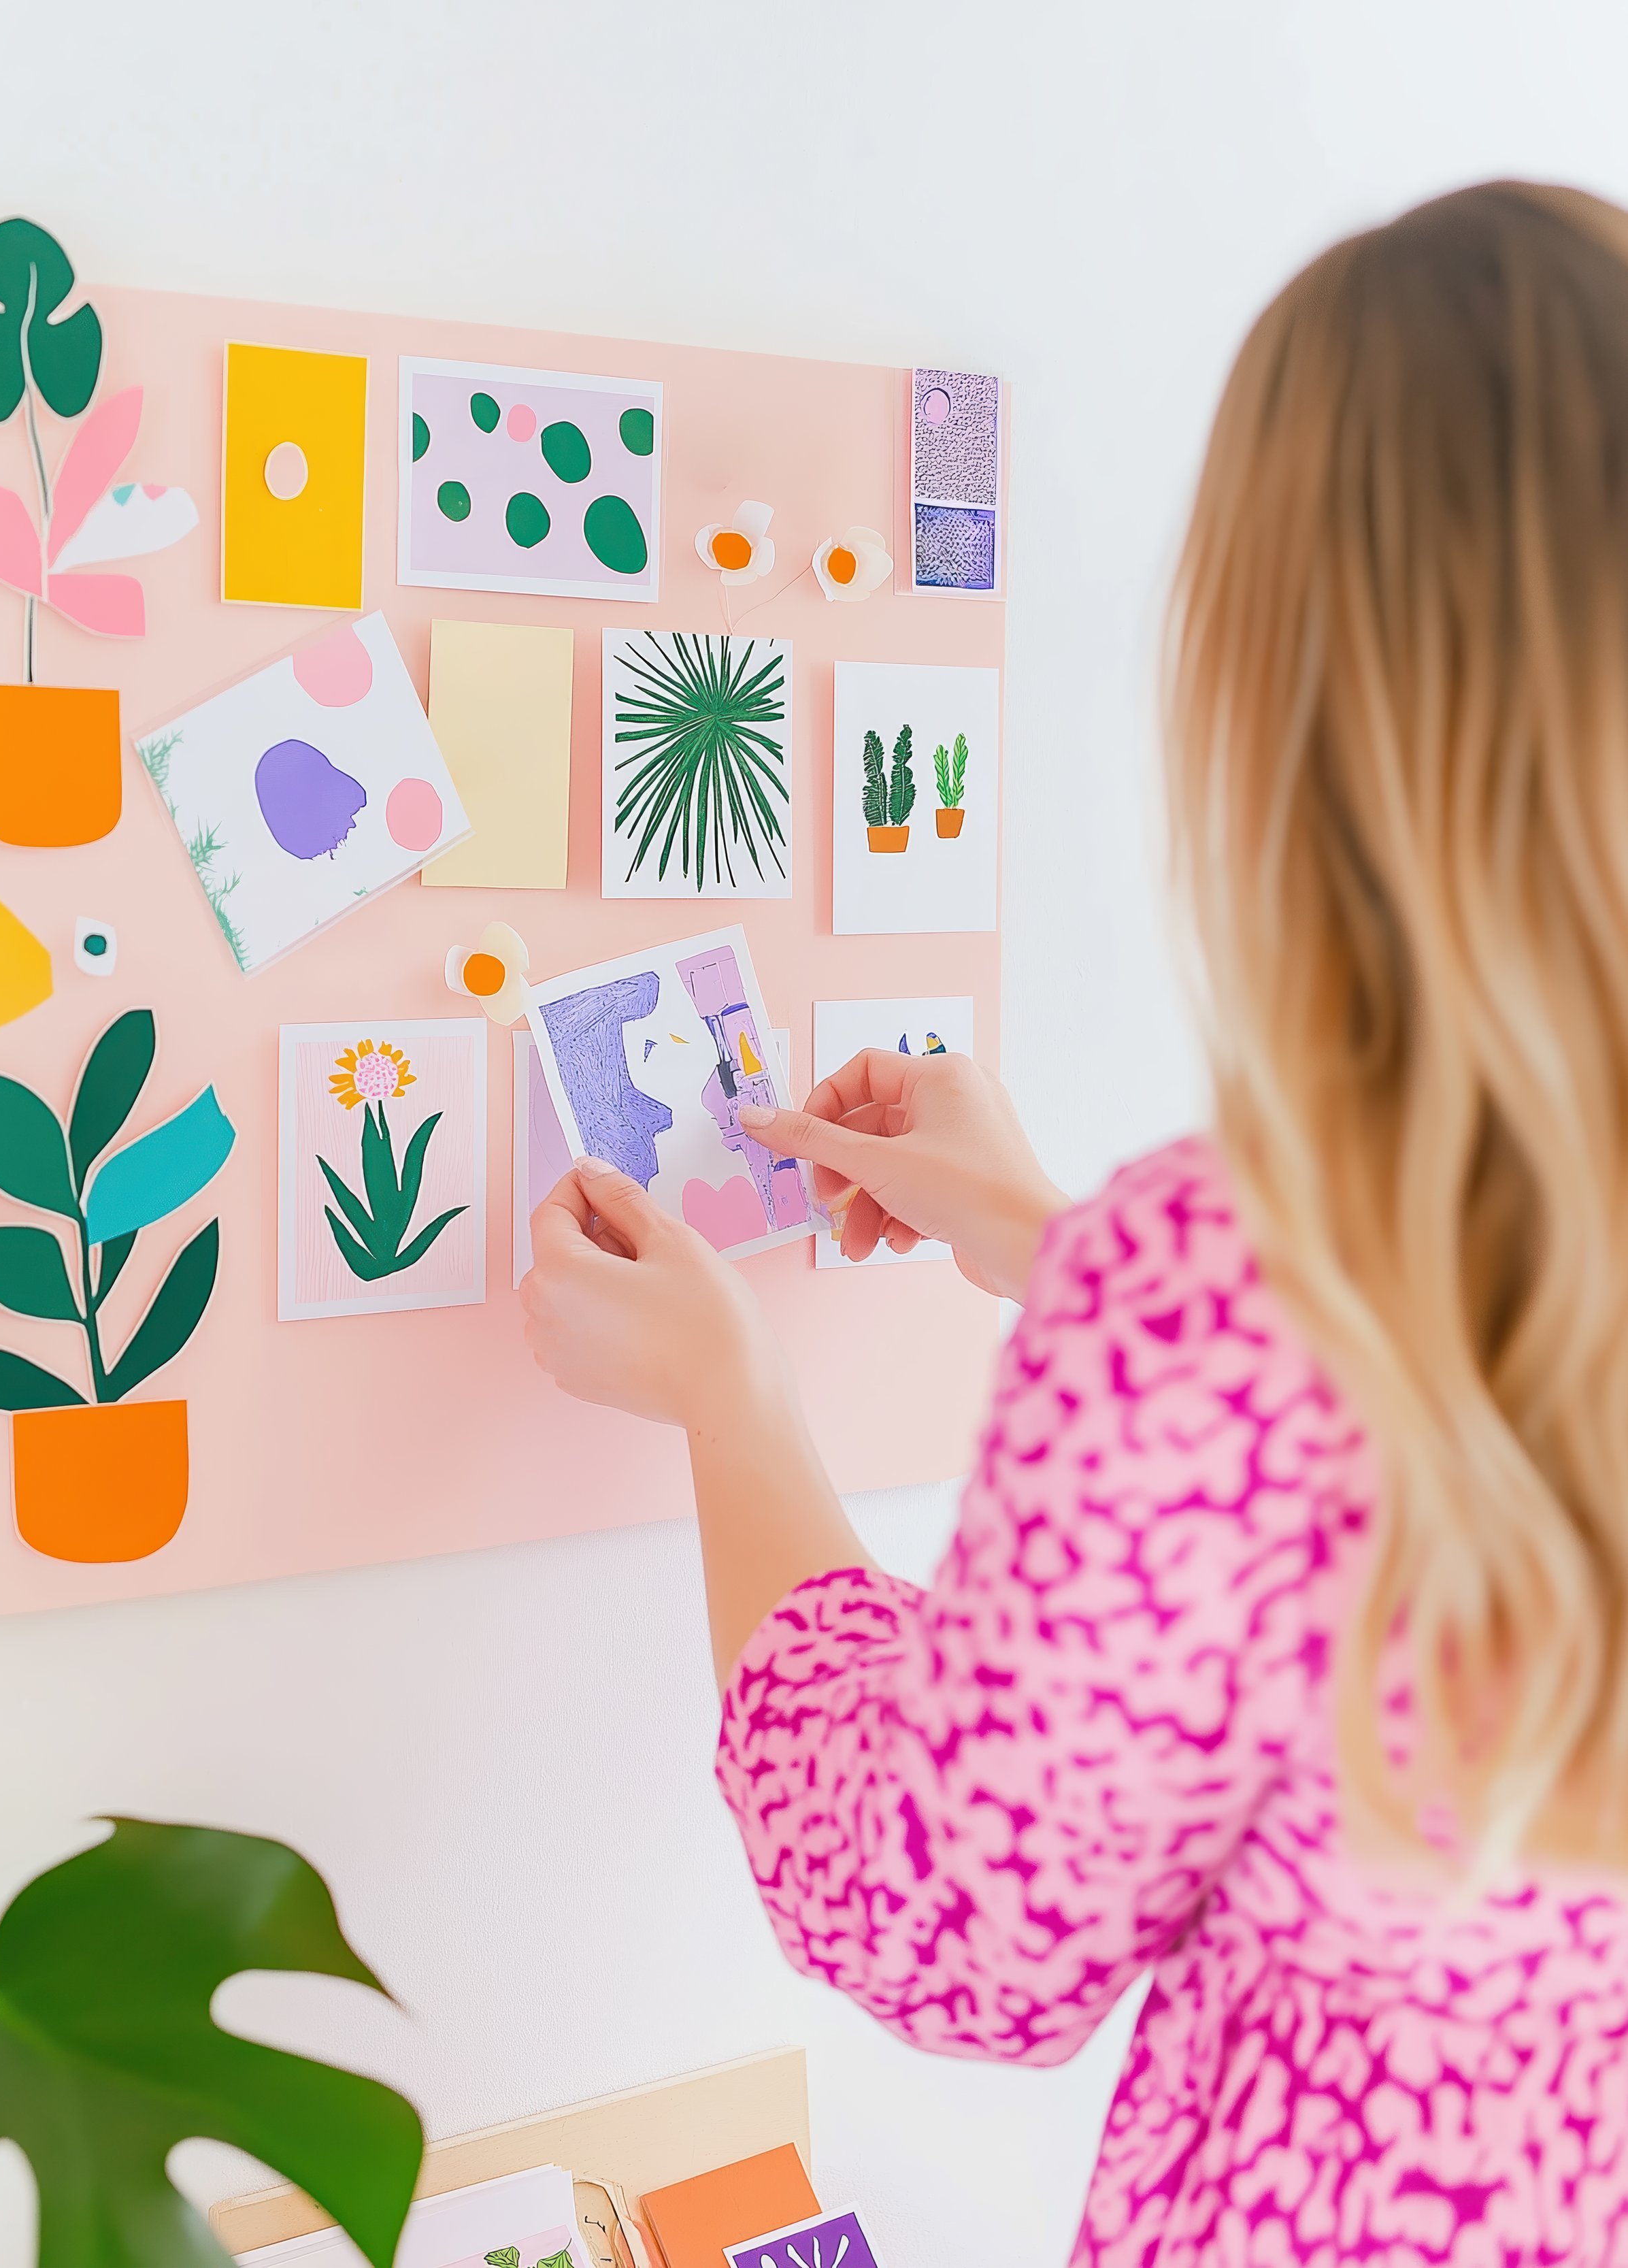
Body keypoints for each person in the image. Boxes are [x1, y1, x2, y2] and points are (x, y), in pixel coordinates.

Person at [522, 181, 1628, 2263]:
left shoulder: (1220, 1298)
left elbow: (950, 1928)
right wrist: (1045, 1233)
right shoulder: (1256, 1296)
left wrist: (732, 1409)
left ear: (1291, 703)